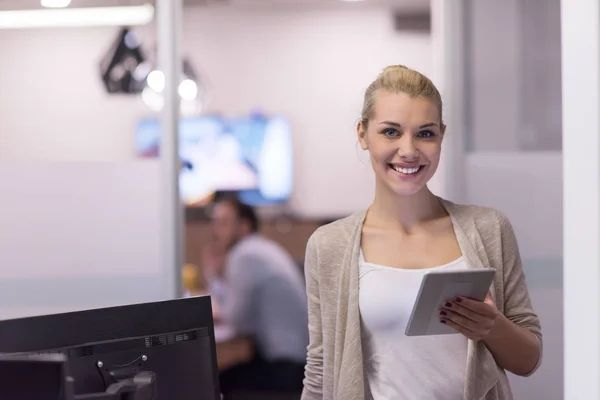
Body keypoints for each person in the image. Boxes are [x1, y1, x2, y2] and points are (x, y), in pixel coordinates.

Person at [301, 66, 542, 400]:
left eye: (425, 134)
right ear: (362, 134)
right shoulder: (328, 246)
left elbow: (528, 359)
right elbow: (320, 369)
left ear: (441, 135)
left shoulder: (488, 229)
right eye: (390, 132)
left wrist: (492, 327)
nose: (409, 150)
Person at [208, 197, 308, 394]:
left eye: (223, 223)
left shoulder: (245, 255)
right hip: (297, 360)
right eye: (215, 223)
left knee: (213, 383)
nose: (216, 231)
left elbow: (237, 320)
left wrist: (213, 276)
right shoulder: (260, 248)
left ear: (244, 226)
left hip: (286, 367)